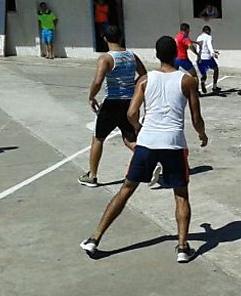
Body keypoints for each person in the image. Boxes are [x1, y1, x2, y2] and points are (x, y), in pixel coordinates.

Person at [80, 35, 209, 263]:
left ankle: (94, 238)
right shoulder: (187, 80)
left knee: (126, 190)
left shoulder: (145, 80)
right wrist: (202, 134)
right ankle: (182, 247)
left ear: (157, 55)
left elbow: (131, 113)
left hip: (147, 143)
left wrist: (140, 129)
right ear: (176, 54)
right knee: (181, 195)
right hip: (174, 144)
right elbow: (196, 118)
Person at [78, 25, 148, 187]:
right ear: (121, 37)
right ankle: (150, 161)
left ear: (105, 39)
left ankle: (92, 175)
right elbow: (144, 75)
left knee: (98, 138)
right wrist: (134, 87)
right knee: (129, 138)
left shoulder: (106, 59)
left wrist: (91, 96)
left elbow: (98, 80)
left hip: (112, 103)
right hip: (129, 103)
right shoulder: (132, 56)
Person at [196, 25, 221, 94]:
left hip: (200, 58)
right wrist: (213, 53)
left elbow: (199, 48)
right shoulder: (208, 37)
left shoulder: (199, 37)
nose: (210, 33)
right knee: (216, 69)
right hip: (207, 57)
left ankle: (203, 81)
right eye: (210, 32)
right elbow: (209, 45)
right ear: (207, 31)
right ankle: (214, 86)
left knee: (204, 74)